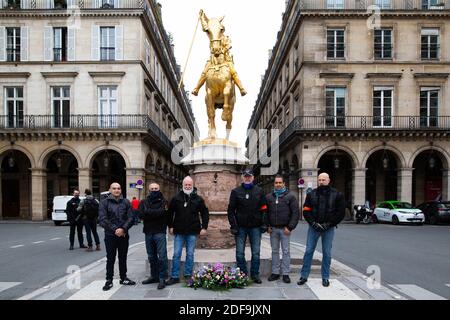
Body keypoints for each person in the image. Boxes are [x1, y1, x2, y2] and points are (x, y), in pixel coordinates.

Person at [298, 173, 345, 287]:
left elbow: (340, 213)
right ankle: (304, 276)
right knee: (308, 251)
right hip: (314, 227)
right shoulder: (311, 194)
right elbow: (306, 210)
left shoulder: (337, 194)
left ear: (329, 180)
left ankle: (325, 277)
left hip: (328, 228)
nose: (321, 181)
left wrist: (329, 224)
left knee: (327, 253)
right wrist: (313, 223)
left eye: (324, 179)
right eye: (319, 179)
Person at [166, 176, 209, 285]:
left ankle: (188, 275)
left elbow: (205, 213)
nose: (187, 186)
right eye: (186, 184)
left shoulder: (198, 199)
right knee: (176, 254)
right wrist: (170, 226)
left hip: (192, 231)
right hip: (179, 231)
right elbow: (170, 213)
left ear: (192, 185)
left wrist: (204, 227)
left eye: (189, 184)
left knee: (190, 254)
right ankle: (174, 276)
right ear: (182, 185)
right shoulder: (176, 198)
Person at [227, 169, 268, 284]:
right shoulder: (235, 192)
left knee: (256, 252)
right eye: (245, 176)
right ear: (242, 177)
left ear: (253, 177)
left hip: (255, 227)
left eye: (249, 176)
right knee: (240, 252)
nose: (247, 178)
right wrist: (233, 225)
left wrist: (264, 223)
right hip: (240, 227)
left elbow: (264, 209)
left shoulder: (259, 191)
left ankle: (255, 274)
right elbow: (230, 210)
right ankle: (243, 274)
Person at [99, 183, 136, 291]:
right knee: (110, 258)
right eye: (114, 188)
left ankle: (123, 277)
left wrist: (123, 229)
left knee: (123, 257)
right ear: (110, 190)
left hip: (124, 235)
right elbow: (102, 219)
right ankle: (109, 280)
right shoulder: (104, 203)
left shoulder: (126, 202)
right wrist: (116, 230)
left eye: (118, 188)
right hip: (110, 235)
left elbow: (131, 218)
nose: (116, 190)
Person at [266, 174, 300, 284]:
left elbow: (295, 213)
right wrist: (267, 226)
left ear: (284, 184)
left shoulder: (290, 196)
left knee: (286, 251)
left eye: (280, 182)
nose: (278, 184)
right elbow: (265, 213)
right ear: (274, 184)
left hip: (285, 229)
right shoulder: (269, 197)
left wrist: (290, 227)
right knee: (274, 251)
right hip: (273, 229)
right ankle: (275, 272)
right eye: (276, 183)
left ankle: (286, 273)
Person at [139, 183, 168, 290]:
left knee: (162, 256)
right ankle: (154, 276)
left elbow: (163, 214)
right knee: (151, 256)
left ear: (159, 189)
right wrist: (155, 213)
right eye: (152, 189)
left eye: (156, 189)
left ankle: (162, 278)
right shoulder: (143, 202)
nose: (154, 190)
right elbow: (141, 215)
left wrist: (148, 212)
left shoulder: (164, 202)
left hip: (160, 232)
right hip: (148, 232)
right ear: (148, 190)